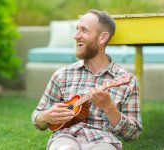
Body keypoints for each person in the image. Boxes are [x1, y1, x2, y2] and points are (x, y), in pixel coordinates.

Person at [31, 10, 142, 150]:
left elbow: (133, 133)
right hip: (65, 137)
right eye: (77, 29)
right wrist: (45, 116)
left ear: (102, 38)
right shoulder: (62, 75)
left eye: (84, 30)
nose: (76, 36)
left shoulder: (126, 80)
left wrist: (109, 107)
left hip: (103, 141)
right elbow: (37, 118)